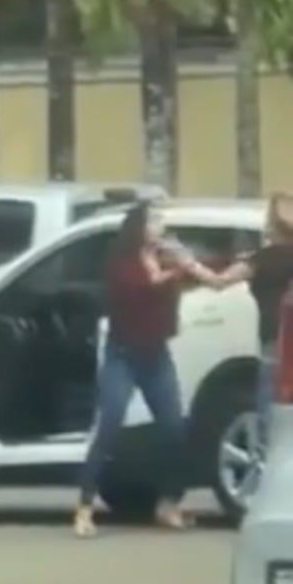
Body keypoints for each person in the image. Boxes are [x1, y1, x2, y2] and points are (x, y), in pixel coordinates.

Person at [73, 200, 227, 538]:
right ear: (138, 227)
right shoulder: (122, 263)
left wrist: (198, 264)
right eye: (154, 220)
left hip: (155, 355)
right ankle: (84, 506)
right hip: (122, 355)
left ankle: (168, 502)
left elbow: (206, 272)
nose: (161, 225)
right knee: (110, 425)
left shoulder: (166, 256)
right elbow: (143, 287)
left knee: (174, 428)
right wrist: (178, 269)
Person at [215, 192, 293, 439]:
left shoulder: (262, 259)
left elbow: (219, 281)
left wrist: (187, 263)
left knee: (269, 401)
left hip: (276, 339)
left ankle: (264, 449)